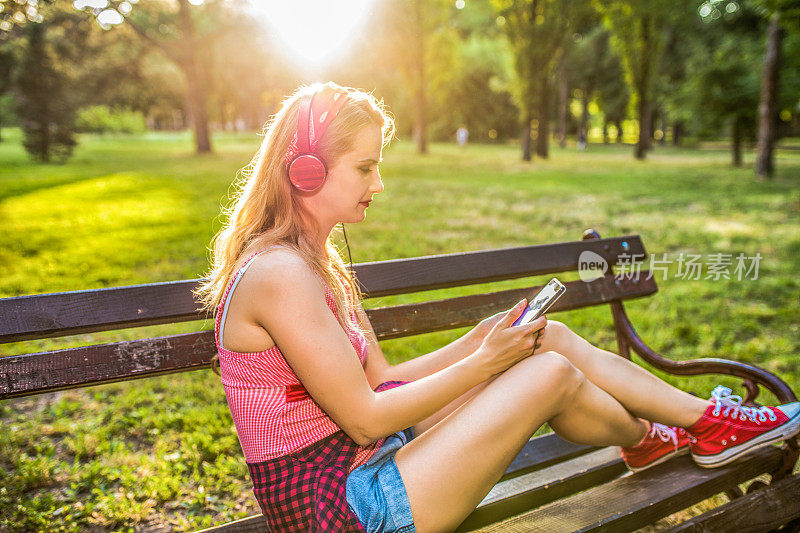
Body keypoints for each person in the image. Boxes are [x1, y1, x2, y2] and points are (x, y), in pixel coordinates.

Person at [195, 82, 800, 533]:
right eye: (366, 167)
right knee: (549, 373)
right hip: (341, 506)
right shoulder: (279, 274)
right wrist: (486, 364)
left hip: (366, 460)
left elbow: (379, 381)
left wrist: (479, 340)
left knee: (550, 340)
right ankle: (672, 432)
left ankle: (691, 428)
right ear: (305, 171)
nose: (378, 184)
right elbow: (365, 418)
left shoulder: (316, 259)